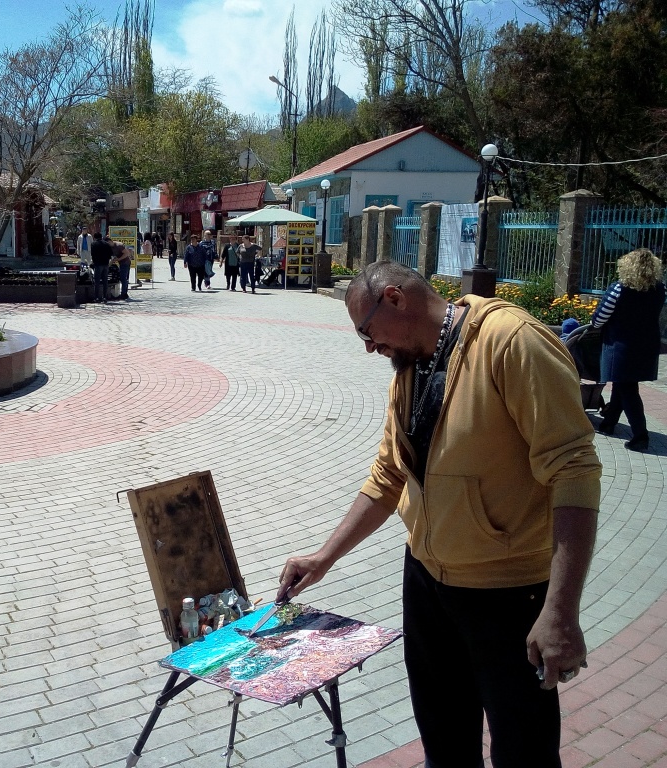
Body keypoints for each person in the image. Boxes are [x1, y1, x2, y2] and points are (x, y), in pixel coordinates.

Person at [277, 261, 601, 768]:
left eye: (367, 331)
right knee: (444, 743)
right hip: (427, 582)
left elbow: (574, 472)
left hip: (506, 592)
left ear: (395, 298)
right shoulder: (411, 366)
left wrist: (560, 611)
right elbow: (389, 476)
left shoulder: (511, 342)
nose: (369, 347)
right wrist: (325, 557)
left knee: (524, 750)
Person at [592, 248, 665, 452]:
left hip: (621, 345)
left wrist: (595, 325)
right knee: (623, 384)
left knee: (628, 389)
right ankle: (609, 423)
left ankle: (640, 436)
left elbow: (599, 319)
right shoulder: (661, 289)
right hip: (647, 345)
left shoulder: (619, 289)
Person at [90, 233, 113, 304]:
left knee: (97, 281)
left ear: (94, 238)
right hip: (106, 264)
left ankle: (96, 297)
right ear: (101, 237)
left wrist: (94, 262)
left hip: (98, 264)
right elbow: (110, 253)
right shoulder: (107, 244)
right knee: (105, 281)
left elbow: (92, 254)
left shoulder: (94, 244)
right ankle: (104, 297)